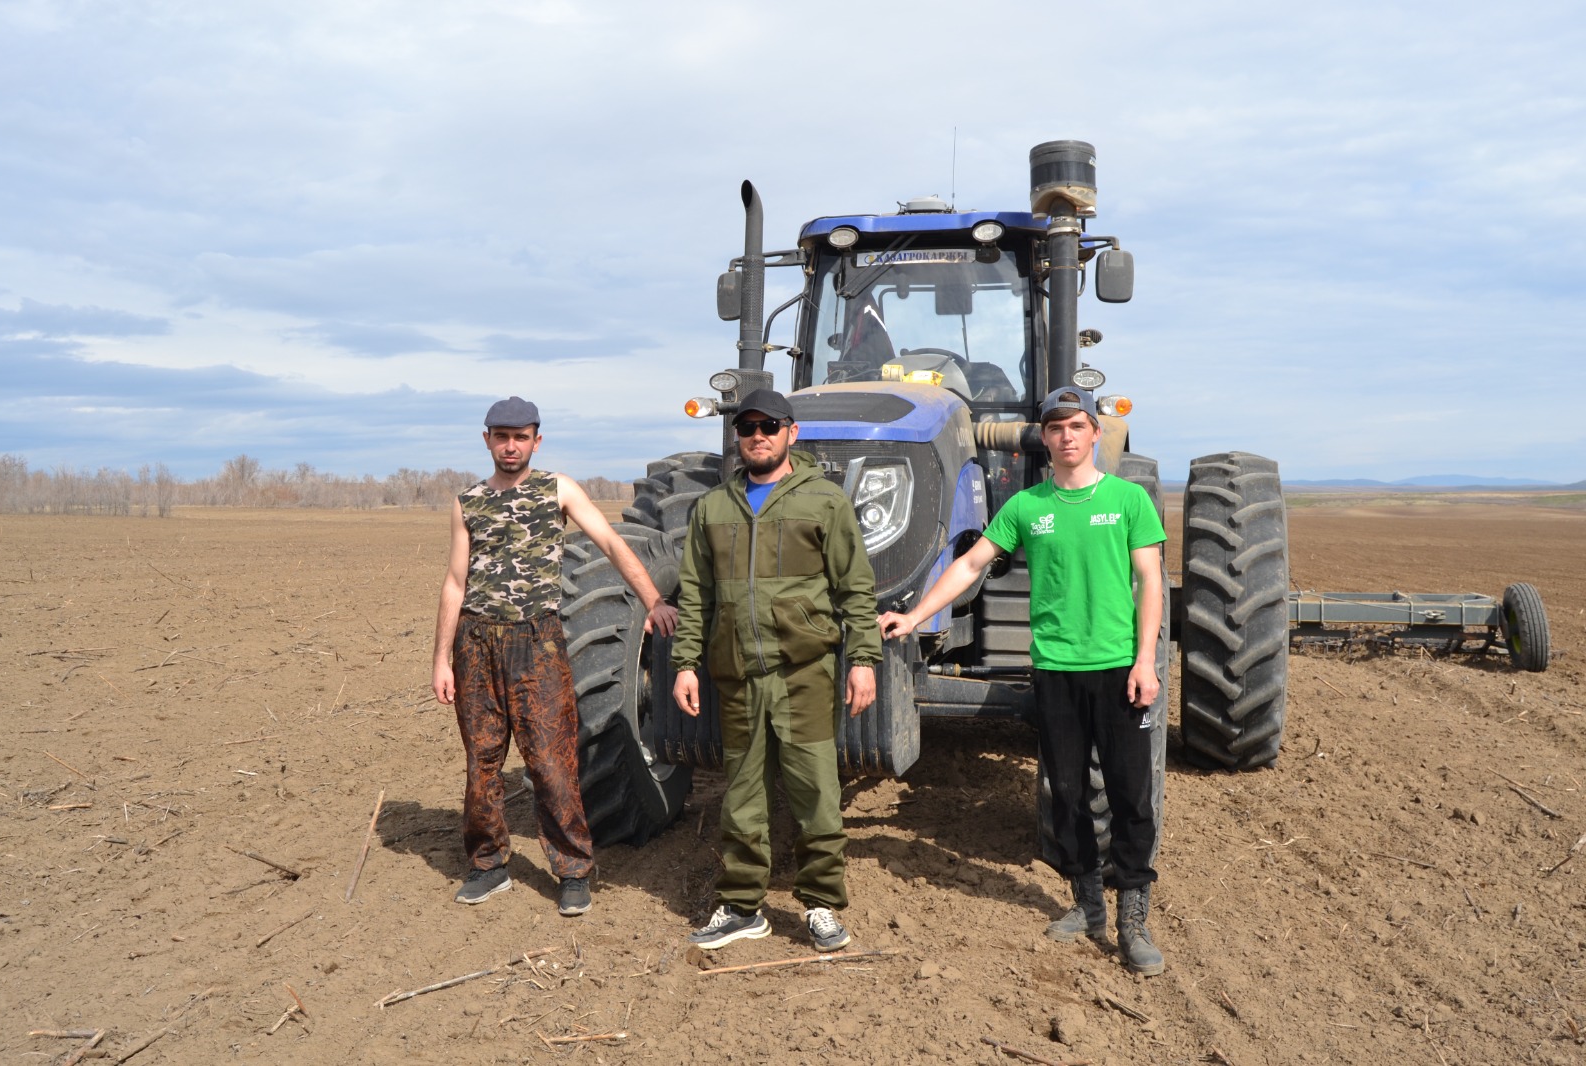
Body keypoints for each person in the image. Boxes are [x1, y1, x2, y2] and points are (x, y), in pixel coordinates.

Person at [878, 386, 1168, 975]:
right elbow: (970, 564)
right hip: (1055, 671)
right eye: (1055, 427)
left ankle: (1132, 919)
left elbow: (1152, 583)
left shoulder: (1129, 500)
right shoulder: (1026, 507)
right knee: (1067, 794)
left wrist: (1144, 662)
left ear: (1093, 433)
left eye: (1077, 426)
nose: (1066, 436)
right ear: (1044, 438)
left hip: (1117, 670)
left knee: (1131, 794)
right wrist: (913, 615)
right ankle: (1087, 905)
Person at [432, 396, 678, 914]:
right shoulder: (467, 501)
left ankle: (572, 870)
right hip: (476, 644)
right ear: (487, 440)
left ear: (536, 440)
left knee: (551, 761)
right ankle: (487, 864)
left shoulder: (557, 489)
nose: (511, 445)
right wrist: (440, 659)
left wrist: (653, 599)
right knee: (482, 764)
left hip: (535, 642)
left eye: (521, 436)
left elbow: (610, 543)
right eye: (501, 436)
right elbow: (456, 582)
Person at [670, 388, 881, 952]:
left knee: (815, 790)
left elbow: (856, 588)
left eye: (768, 425)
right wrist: (685, 663)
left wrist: (863, 658)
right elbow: (695, 595)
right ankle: (742, 906)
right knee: (741, 794)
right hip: (736, 673)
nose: (756, 435)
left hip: (803, 672)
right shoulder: (714, 508)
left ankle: (820, 905)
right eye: (747, 427)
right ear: (737, 436)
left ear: (791, 432)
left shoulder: (823, 501)